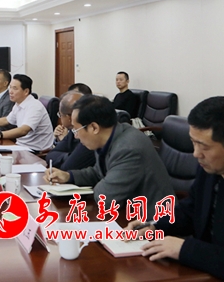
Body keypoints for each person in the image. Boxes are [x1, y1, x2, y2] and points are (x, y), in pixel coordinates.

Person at [125, 96, 224, 279]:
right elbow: (191, 210)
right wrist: (155, 227)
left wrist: (185, 248)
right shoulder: (210, 169)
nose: (196, 154)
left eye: (204, 146)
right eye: (193, 142)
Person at [45, 95, 173, 219]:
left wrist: (100, 185)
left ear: (94, 127)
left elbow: (106, 198)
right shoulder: (107, 137)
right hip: (126, 213)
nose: (76, 136)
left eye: (76, 130)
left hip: (152, 221)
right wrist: (69, 176)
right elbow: (98, 173)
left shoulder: (128, 149)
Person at [0, 74, 53, 152]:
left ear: (26, 91)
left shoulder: (34, 106)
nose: (10, 91)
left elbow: (23, 130)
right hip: (21, 146)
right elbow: (6, 120)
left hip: (35, 150)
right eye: (10, 87)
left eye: (15, 88)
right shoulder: (18, 103)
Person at [45, 91, 96, 170]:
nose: (76, 136)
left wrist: (69, 158)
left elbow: (68, 167)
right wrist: (69, 156)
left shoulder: (90, 133)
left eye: (60, 115)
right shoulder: (73, 130)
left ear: (70, 117)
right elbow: (50, 155)